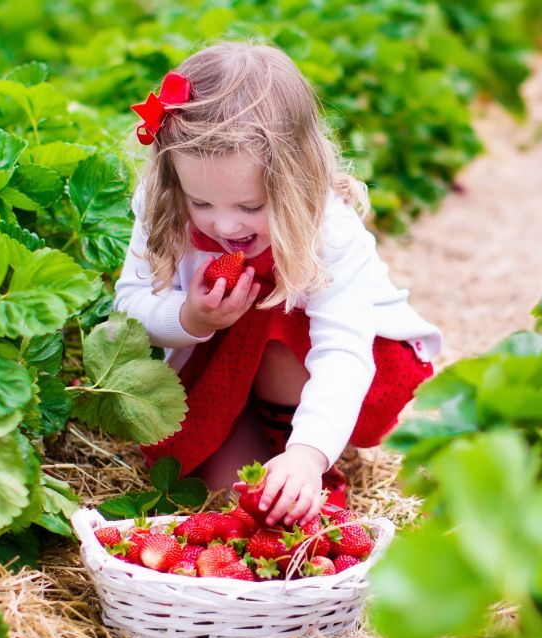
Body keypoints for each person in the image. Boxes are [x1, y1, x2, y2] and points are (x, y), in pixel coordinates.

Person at [113, 42, 443, 528]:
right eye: (201, 203)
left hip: (328, 361)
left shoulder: (327, 228)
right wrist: (189, 317)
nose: (225, 226)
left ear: (296, 181)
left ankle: (300, 452)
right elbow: (131, 304)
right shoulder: (164, 202)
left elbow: (341, 352)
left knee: (275, 315)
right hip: (221, 364)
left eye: (250, 207)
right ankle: (266, 451)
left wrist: (308, 454)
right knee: (233, 497)